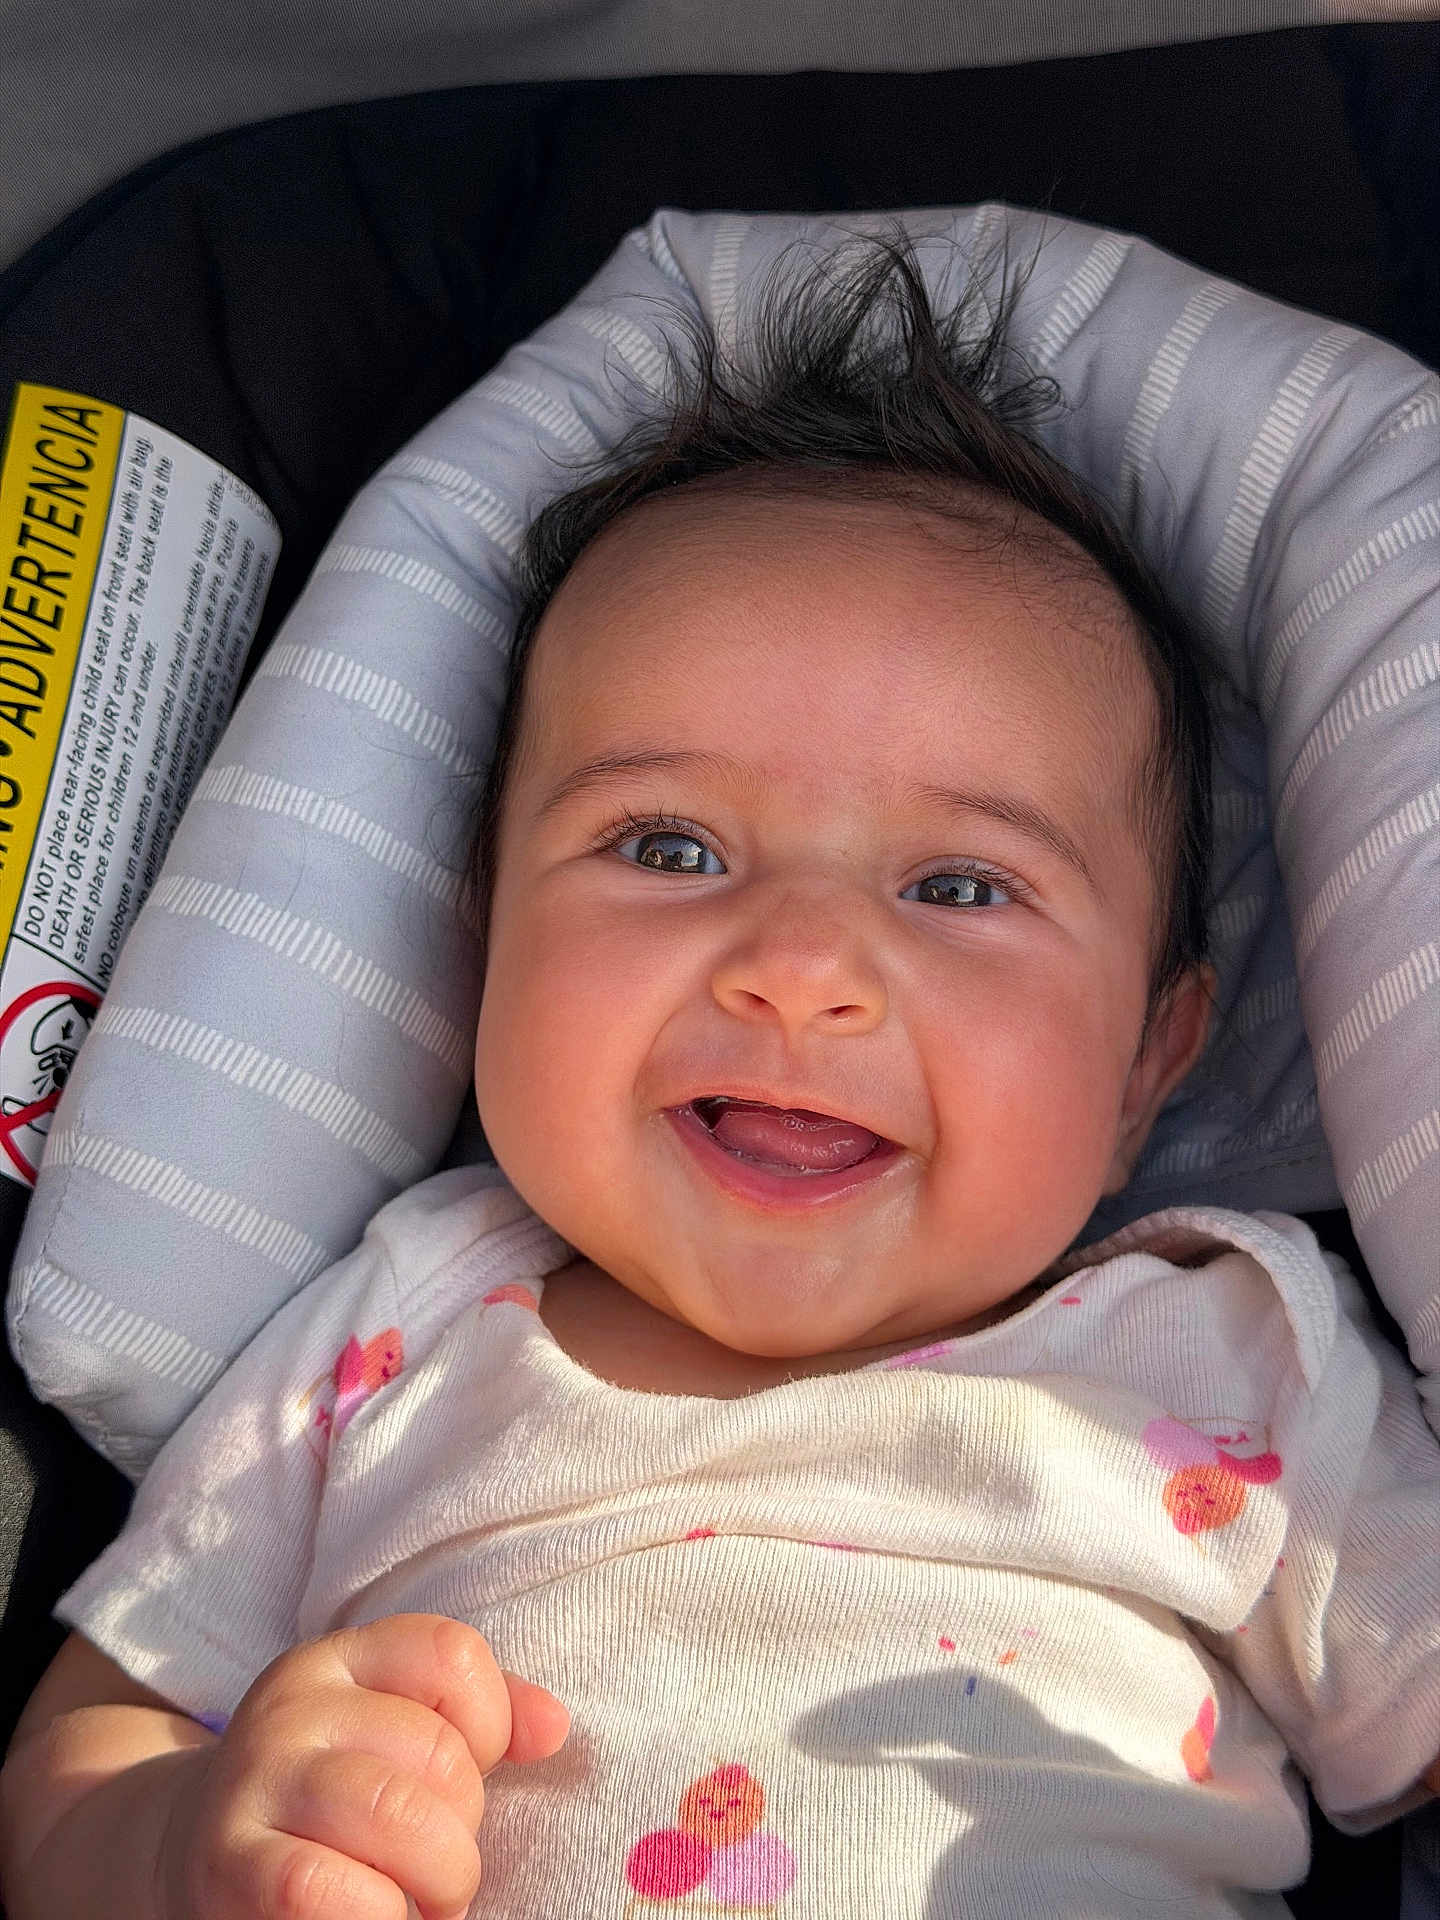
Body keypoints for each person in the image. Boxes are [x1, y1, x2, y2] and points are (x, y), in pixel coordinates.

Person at [0, 239, 1435, 1920]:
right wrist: (184, 1840)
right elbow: (84, 1753)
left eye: (958, 886)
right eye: (668, 846)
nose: (799, 965)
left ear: (1148, 1059)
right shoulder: (389, 1335)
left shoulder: (1240, 1353)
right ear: (478, 938)